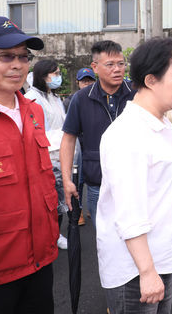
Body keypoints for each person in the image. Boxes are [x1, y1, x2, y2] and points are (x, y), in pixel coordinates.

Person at [97, 37, 172, 313]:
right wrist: (146, 271)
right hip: (136, 271)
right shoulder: (128, 134)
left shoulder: (161, 123)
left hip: (159, 259)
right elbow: (129, 211)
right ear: (151, 80)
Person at [0, 16, 58, 313]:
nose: (17, 64)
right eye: (5, 56)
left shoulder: (33, 110)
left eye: (23, 56)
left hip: (41, 261)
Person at [60, 41, 135, 227]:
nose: (117, 69)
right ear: (95, 67)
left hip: (135, 182)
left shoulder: (137, 93)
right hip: (98, 183)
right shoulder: (81, 99)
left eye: (121, 63)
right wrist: (67, 180)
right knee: (104, 239)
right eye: (110, 65)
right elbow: (68, 140)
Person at [24, 59, 69, 249]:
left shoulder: (54, 97)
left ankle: (55, 233)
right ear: (43, 76)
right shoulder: (33, 98)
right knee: (51, 200)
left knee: (60, 199)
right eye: (55, 74)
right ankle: (53, 235)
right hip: (48, 155)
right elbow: (40, 130)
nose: (58, 77)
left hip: (61, 153)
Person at [63, 67, 97, 226]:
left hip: (92, 146)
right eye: (84, 81)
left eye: (90, 80)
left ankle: (92, 207)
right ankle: (79, 211)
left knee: (94, 178)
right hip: (77, 147)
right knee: (79, 180)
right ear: (78, 83)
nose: (87, 83)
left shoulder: (98, 98)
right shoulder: (71, 100)